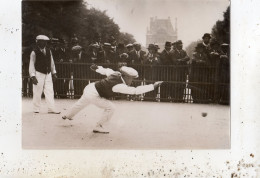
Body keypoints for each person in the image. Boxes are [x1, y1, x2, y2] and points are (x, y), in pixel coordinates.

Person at [62, 64, 163, 133]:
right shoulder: (119, 86)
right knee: (111, 108)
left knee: (81, 103)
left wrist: (96, 68)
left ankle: (67, 115)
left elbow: (106, 70)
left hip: (90, 87)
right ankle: (99, 126)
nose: (132, 81)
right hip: (94, 94)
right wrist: (153, 86)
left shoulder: (116, 73)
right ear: (126, 76)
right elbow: (135, 91)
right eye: (131, 78)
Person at [29, 35, 60, 114]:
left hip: (48, 73)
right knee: (37, 91)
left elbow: (52, 62)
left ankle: (51, 108)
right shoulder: (34, 52)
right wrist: (33, 76)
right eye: (42, 41)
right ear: (38, 42)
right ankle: (36, 108)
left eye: (45, 42)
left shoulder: (49, 51)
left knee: (50, 90)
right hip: (38, 73)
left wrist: (54, 73)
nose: (44, 43)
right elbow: (31, 64)